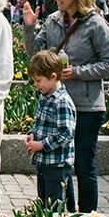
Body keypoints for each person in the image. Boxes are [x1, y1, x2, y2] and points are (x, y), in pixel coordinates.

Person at [22, 0, 109, 213]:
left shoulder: (96, 24)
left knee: (84, 165)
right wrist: (29, 28)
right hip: (57, 103)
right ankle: (67, 213)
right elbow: (36, 56)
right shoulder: (53, 21)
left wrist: (78, 72)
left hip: (86, 105)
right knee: (62, 165)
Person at [23, 50, 76, 208]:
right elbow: (41, 121)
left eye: (38, 80)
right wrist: (32, 133)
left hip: (57, 163)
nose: (36, 84)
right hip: (45, 161)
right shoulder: (45, 96)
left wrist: (41, 145)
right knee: (44, 200)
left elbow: (66, 133)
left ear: (53, 77)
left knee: (56, 202)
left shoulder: (62, 102)